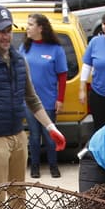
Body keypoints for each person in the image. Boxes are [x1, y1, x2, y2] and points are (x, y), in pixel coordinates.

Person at [0, 6, 66, 207]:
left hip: (18, 136)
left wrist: (51, 127)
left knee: (19, 196)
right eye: (1, 30)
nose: (6, 36)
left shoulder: (20, 60)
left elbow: (32, 98)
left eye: (9, 30)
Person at [22, 13, 68, 179]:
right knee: (34, 136)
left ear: (40, 28)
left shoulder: (56, 49)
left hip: (47, 101)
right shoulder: (25, 48)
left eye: (30, 24)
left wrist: (60, 99)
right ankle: (35, 167)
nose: (27, 28)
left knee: (50, 137)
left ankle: (53, 166)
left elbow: (62, 76)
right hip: (28, 102)